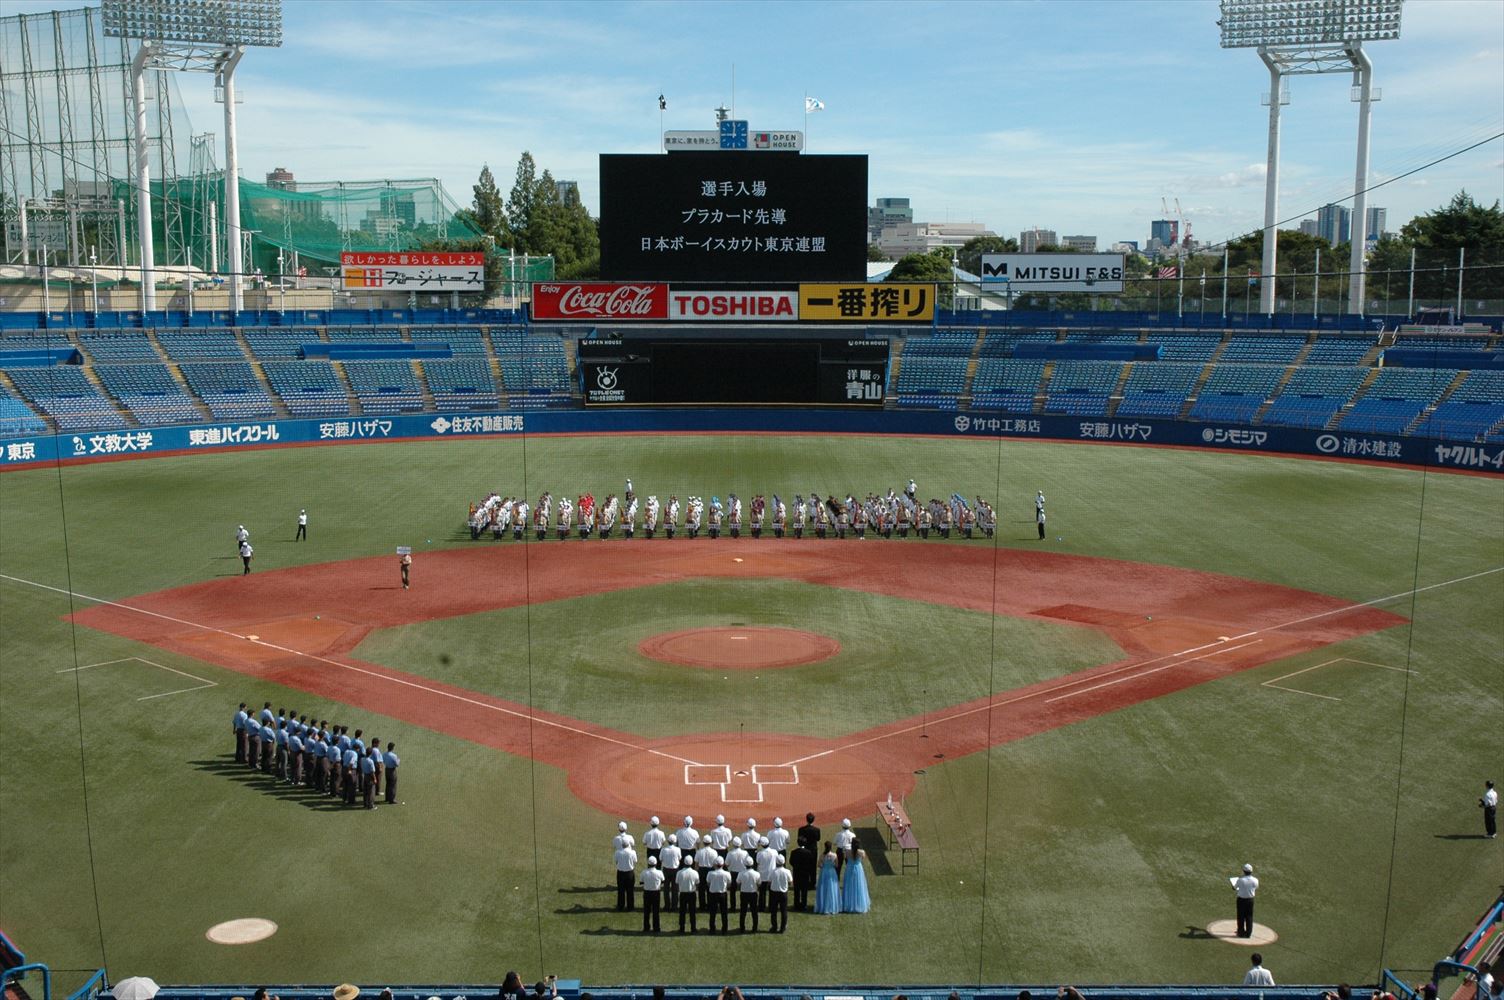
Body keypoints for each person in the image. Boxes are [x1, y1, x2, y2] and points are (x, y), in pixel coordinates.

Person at [840, 837, 870, 913]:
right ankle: (859, 904)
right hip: (858, 868)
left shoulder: (847, 851)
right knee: (859, 885)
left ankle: (848, 904)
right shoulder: (861, 852)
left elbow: (846, 858)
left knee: (849, 886)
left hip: (849, 868)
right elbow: (863, 858)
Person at [704, 857, 732, 934]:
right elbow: (729, 884)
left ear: (715, 865)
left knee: (712, 912)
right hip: (723, 894)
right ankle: (724, 929)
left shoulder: (710, 873)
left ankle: (712, 929)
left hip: (713, 894)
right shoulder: (727, 874)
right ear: (722, 864)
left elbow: (708, 883)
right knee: (724, 912)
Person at [1231, 863, 1259, 938]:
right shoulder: (1255, 880)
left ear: (1244, 871)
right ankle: (1248, 933)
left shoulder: (1240, 880)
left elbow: (1234, 888)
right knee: (1249, 916)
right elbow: (1256, 887)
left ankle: (1241, 932)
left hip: (1241, 900)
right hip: (1250, 900)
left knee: (1241, 916)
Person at [767, 855, 792, 932]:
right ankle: (783, 927)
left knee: (773, 911)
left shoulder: (772, 871)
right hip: (783, 893)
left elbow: (769, 882)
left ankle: (774, 927)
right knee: (783, 910)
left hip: (774, 893)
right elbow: (790, 882)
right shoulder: (787, 871)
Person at [814, 841, 841, 914]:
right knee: (832, 888)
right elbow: (836, 865)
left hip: (824, 872)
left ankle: (823, 905)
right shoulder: (834, 855)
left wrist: (824, 866)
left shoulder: (822, 855)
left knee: (823, 888)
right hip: (832, 872)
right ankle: (832, 905)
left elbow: (819, 865)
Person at [790, 837, 816, 911]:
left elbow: (791, 861)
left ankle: (796, 905)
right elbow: (811, 863)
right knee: (804, 890)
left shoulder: (794, 852)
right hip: (805, 873)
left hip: (797, 873)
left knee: (797, 890)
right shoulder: (808, 852)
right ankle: (804, 905)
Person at [675, 859, 700, 933]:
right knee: (692, 912)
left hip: (683, 893)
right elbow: (697, 883)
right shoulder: (695, 873)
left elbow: (677, 883)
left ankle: (682, 928)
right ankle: (693, 928)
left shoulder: (679, 872)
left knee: (682, 912)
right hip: (692, 893)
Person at [641, 856, 664, 933]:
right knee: (656, 911)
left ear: (648, 864)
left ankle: (646, 927)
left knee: (646, 911)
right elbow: (663, 881)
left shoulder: (644, 872)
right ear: (656, 864)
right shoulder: (659, 872)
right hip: (656, 893)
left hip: (647, 893)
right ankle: (656, 928)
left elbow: (641, 882)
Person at [736, 859, 760, 932]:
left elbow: (738, 883)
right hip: (753, 893)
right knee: (754, 912)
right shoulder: (757, 874)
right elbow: (759, 883)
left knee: (743, 911)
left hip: (744, 893)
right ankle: (755, 928)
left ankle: (742, 928)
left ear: (745, 865)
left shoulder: (741, 873)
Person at [614, 839, 639, 912]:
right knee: (630, 890)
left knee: (620, 890)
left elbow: (616, 861)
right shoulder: (632, 852)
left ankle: (620, 906)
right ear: (628, 845)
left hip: (620, 873)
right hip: (629, 873)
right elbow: (635, 861)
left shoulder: (618, 852)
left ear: (622, 845)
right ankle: (630, 907)